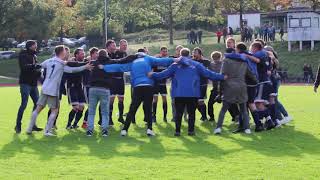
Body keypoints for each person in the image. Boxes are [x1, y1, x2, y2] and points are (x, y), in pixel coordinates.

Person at [100, 50, 179, 137]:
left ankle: (124, 130)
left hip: (137, 87)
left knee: (132, 109)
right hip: (148, 86)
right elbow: (161, 61)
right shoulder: (148, 58)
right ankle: (149, 129)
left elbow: (119, 67)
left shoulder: (133, 62)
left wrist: (104, 67)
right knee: (148, 108)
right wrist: (175, 60)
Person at [149, 48, 226, 136]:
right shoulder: (197, 65)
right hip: (193, 93)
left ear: (180, 55)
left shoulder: (175, 65)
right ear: (189, 55)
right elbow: (209, 74)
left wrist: (152, 74)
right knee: (191, 113)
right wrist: (222, 77)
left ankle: (177, 131)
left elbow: (162, 75)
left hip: (178, 93)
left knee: (179, 113)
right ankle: (191, 131)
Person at [26, 45, 93, 136]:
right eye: (65, 51)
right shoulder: (61, 64)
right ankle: (47, 131)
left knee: (38, 109)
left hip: (45, 88)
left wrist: (42, 78)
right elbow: (73, 70)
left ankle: (29, 129)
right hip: (54, 90)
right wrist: (85, 67)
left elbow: (39, 67)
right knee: (55, 110)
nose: (66, 52)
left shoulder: (48, 61)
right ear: (61, 52)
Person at [85, 49, 138, 137]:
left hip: (93, 89)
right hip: (105, 89)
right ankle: (104, 131)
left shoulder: (93, 63)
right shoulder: (110, 62)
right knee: (105, 112)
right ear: (106, 55)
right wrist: (136, 56)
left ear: (98, 55)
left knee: (91, 111)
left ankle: (89, 131)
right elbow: (123, 60)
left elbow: (79, 64)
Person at [213, 46, 256, 135]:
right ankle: (247, 129)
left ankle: (218, 128)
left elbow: (223, 76)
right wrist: (256, 82)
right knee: (243, 110)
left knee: (224, 109)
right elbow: (251, 75)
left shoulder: (226, 61)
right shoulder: (243, 61)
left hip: (229, 87)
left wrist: (220, 92)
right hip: (242, 87)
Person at [15, 40, 43, 134]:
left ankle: (33, 125)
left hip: (33, 83)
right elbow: (24, 67)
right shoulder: (23, 55)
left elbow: (36, 70)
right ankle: (18, 125)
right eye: (35, 45)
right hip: (25, 83)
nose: (36, 46)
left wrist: (41, 76)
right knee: (24, 104)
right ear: (30, 46)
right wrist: (35, 66)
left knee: (37, 104)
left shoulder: (35, 56)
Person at [65, 48, 87, 129]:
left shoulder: (84, 62)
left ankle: (75, 124)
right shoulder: (71, 62)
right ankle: (68, 124)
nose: (83, 55)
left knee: (82, 107)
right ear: (76, 55)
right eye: (81, 54)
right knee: (76, 107)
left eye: (83, 53)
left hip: (79, 86)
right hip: (72, 87)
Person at [82, 47, 99, 129]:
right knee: (91, 105)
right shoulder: (86, 62)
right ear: (92, 54)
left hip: (94, 87)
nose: (98, 54)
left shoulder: (96, 63)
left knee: (93, 105)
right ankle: (85, 123)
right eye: (96, 53)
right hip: (87, 87)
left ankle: (86, 122)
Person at [192, 47, 211, 122]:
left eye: (195, 52)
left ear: (200, 53)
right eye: (193, 52)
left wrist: (202, 59)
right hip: (194, 84)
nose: (194, 53)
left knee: (200, 101)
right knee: (195, 101)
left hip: (202, 84)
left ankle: (204, 117)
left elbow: (208, 65)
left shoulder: (205, 61)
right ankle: (203, 116)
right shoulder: (191, 61)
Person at [152, 46, 169, 123]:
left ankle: (165, 117)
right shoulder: (156, 60)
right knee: (155, 100)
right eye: (163, 51)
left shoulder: (168, 61)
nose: (164, 53)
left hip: (163, 84)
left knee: (164, 100)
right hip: (155, 83)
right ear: (160, 52)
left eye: (166, 51)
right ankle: (153, 117)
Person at [207, 51, 223, 122]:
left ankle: (235, 116)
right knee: (210, 103)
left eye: (216, 58)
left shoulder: (223, 64)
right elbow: (208, 74)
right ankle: (211, 117)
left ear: (220, 58)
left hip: (223, 88)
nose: (215, 59)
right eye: (214, 58)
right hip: (215, 87)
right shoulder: (211, 65)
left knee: (228, 104)